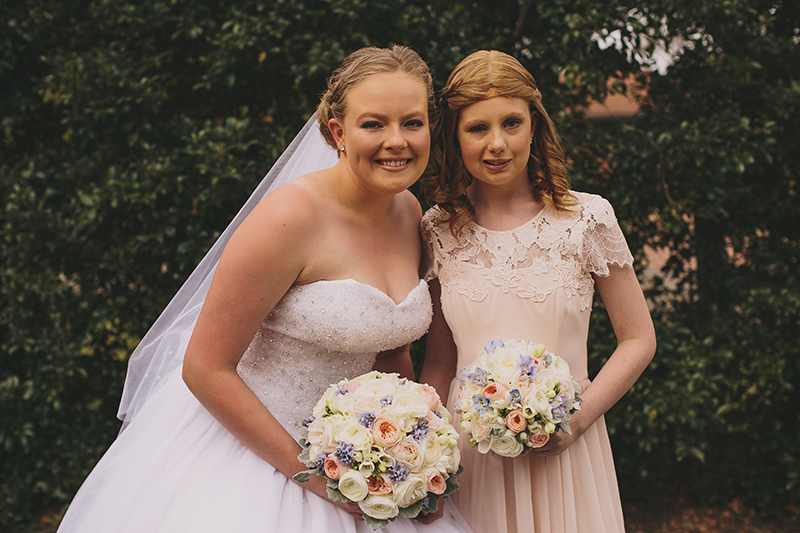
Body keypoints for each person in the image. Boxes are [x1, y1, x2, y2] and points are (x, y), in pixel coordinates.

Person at [57, 45, 472, 533]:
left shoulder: (408, 213)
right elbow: (205, 367)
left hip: (365, 466)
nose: (396, 141)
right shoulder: (289, 217)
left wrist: (417, 455)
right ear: (338, 132)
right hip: (256, 460)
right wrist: (316, 479)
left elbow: (388, 359)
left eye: (412, 123)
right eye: (374, 124)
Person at [419, 50, 656, 533]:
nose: (497, 144)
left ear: (534, 127)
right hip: (474, 460)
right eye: (477, 128)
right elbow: (441, 363)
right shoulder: (438, 229)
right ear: (454, 136)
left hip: (567, 452)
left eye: (511, 123)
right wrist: (430, 461)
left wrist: (576, 422)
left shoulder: (586, 219)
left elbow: (639, 339)